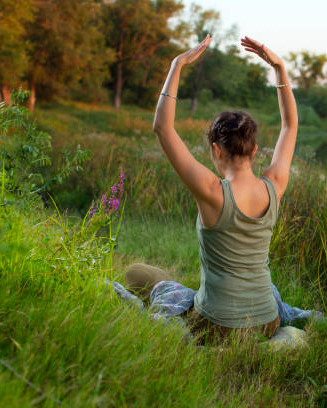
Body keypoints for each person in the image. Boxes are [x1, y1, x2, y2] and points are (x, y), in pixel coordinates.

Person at [125, 34, 298, 345]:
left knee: (138, 273)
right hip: (268, 321)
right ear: (255, 150)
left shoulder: (211, 191)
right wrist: (279, 69)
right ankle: (281, 339)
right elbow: (290, 126)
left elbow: (162, 127)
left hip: (219, 326)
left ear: (217, 151)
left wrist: (178, 65)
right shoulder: (274, 186)